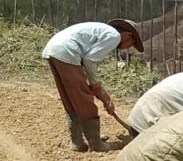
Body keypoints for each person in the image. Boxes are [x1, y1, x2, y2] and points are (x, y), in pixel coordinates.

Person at [41, 18, 143, 152]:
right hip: (67, 51)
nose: (128, 47)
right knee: (83, 99)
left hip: (54, 49)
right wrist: (97, 88)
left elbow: (88, 59)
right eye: (132, 43)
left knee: (71, 98)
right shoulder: (114, 36)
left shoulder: (104, 31)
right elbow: (89, 60)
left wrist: (99, 90)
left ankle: (77, 141)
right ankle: (95, 143)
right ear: (128, 35)